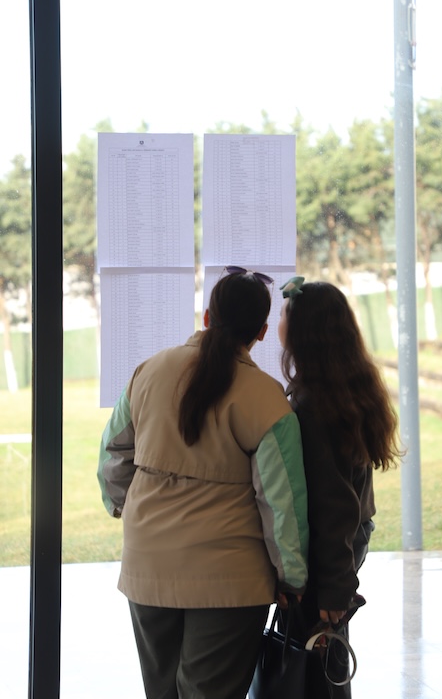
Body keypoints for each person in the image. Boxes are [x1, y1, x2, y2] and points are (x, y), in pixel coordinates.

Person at [97, 269, 309, 699]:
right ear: (261, 332)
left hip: (148, 564)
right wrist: (292, 577)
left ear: (208, 317)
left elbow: (113, 455)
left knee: (161, 691)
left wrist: (125, 506)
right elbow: (281, 501)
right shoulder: (267, 398)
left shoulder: (148, 372)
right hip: (229, 580)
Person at [277, 276, 401, 696]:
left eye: (285, 315)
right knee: (324, 657)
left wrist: (334, 588)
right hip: (349, 539)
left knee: (319, 660)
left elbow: (333, 506)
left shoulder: (314, 405)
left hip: (332, 549)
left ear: (303, 331)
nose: (278, 324)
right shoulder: (342, 388)